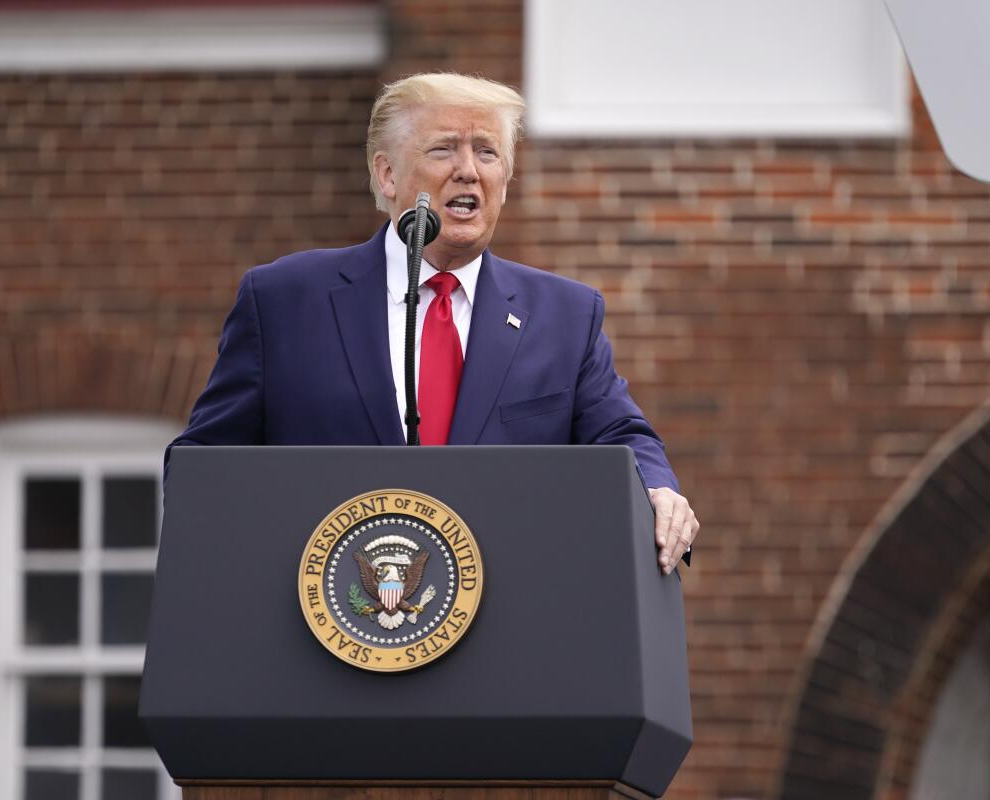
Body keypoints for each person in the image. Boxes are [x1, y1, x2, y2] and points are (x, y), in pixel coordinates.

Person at [169, 73, 699, 574]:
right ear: (387, 174)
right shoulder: (285, 301)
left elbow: (621, 435)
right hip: (328, 621)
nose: (468, 170)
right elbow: (203, 466)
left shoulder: (565, 315)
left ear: (505, 181)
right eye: (444, 148)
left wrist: (658, 490)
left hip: (506, 624)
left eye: (487, 152)